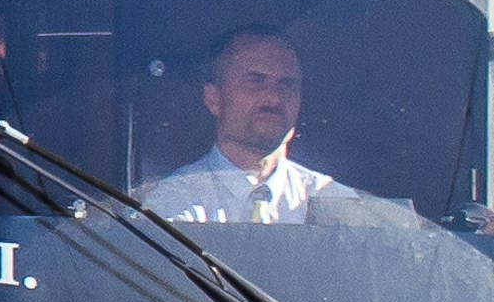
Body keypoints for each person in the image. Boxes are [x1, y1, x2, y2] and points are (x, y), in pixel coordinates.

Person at [138, 26, 343, 222]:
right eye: (256, 81)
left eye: (286, 85)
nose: (273, 98)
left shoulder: (334, 205)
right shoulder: (170, 205)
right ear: (214, 98)